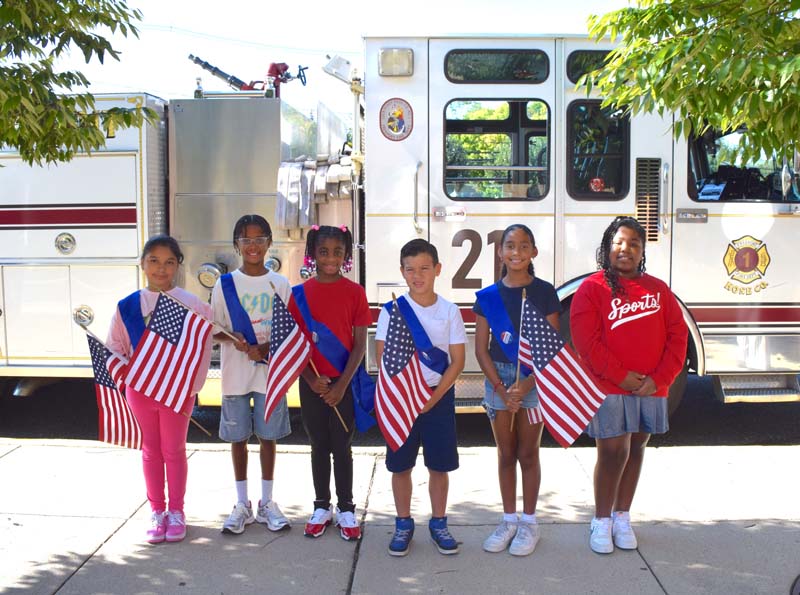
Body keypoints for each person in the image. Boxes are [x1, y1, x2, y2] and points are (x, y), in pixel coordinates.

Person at [570, 216, 687, 554]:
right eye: (619, 243)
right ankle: (601, 520)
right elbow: (586, 343)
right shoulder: (591, 289)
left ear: (642, 251)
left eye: (634, 244)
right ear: (607, 248)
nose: (626, 249)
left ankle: (622, 516)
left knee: (636, 449)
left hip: (650, 388)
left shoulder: (658, 290)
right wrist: (620, 375)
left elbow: (678, 338)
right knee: (612, 452)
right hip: (610, 387)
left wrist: (659, 379)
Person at [107, 235, 212, 544]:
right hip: (140, 390)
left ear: (178, 266)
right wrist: (128, 376)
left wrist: (192, 386)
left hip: (177, 392)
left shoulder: (192, 304)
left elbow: (202, 349)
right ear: (143, 264)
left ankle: (177, 512)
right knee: (151, 450)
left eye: (169, 262)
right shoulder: (126, 306)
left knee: (174, 450)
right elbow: (114, 347)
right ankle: (157, 511)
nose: (161, 268)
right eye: (154, 261)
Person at [473, 224, 561, 556]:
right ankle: (508, 520)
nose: (516, 252)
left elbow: (550, 348)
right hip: (499, 377)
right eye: (510, 246)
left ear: (533, 252)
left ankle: (529, 523)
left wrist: (524, 386)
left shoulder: (544, 292)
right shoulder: (488, 297)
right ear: (500, 252)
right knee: (505, 454)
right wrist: (500, 386)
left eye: (524, 246)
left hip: (533, 378)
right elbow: (481, 349)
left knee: (528, 453)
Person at [375, 239, 466, 557]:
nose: (417, 275)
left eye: (424, 268)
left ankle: (439, 523)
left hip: (437, 399)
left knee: (439, 466)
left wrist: (433, 397)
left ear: (437, 270)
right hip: (402, 399)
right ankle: (403, 523)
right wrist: (409, 396)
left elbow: (458, 361)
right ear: (402, 271)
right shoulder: (392, 311)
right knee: (400, 467)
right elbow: (384, 358)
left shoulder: (449, 311)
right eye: (410, 269)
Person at [288, 224, 371, 541]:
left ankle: (346, 507)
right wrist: (310, 379)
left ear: (346, 255)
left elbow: (360, 345)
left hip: (343, 383)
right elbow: (292, 345)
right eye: (324, 251)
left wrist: (340, 386)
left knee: (342, 445)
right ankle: (321, 505)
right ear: (312, 254)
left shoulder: (355, 293)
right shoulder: (298, 295)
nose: (331, 258)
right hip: (312, 384)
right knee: (318, 444)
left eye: (338, 252)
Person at [211, 214, 292, 535]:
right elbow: (214, 329)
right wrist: (235, 339)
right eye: (246, 240)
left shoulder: (281, 283)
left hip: (270, 374)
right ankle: (242, 503)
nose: (253, 245)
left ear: (270, 243)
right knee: (238, 438)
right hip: (235, 374)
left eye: (260, 239)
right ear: (236, 246)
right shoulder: (224, 284)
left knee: (268, 437)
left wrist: (266, 345)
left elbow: (290, 331)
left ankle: (267, 503)